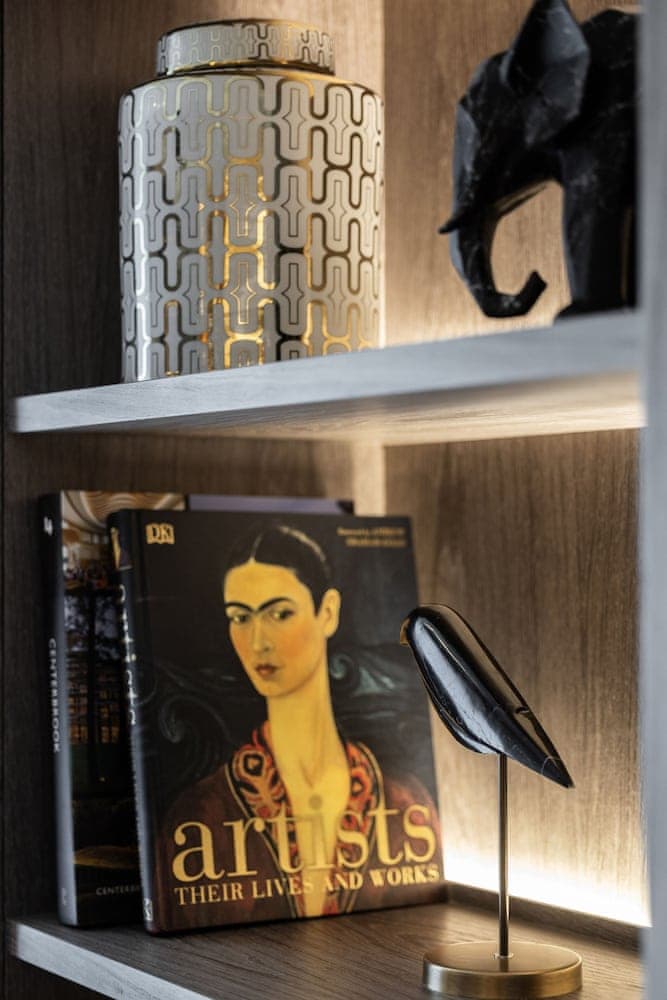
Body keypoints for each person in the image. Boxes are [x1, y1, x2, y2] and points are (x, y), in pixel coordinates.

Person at [154, 523, 441, 929]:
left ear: (328, 612)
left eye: (280, 614)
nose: (258, 641)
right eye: (240, 617)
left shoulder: (406, 803)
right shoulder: (201, 816)